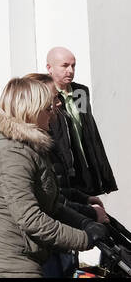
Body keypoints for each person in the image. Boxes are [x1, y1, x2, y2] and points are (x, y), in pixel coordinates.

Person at [0, 77, 106, 277]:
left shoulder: (28, 148)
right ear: (31, 111)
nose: (53, 116)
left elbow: (53, 205)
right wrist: (84, 239)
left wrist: (84, 222)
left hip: (18, 257)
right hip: (4, 265)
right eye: (48, 110)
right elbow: (31, 218)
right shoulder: (13, 153)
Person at [45, 47, 117, 200]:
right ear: (49, 68)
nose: (70, 70)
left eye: (73, 65)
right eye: (64, 66)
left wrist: (102, 173)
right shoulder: (44, 94)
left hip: (85, 170)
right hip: (62, 172)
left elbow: (90, 132)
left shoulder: (80, 92)